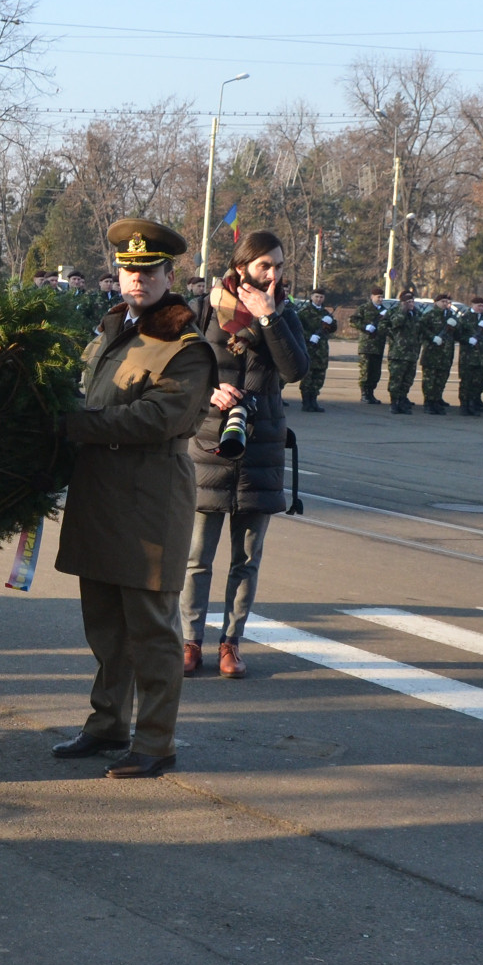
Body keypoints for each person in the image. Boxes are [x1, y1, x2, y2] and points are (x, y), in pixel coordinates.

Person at [53, 218, 218, 779]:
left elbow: (157, 418)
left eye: (149, 271)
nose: (137, 279)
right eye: (129, 269)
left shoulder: (185, 347)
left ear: (170, 276)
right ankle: (107, 724)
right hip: (100, 491)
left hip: (150, 496)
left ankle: (154, 741)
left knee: (150, 628)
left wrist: (74, 423)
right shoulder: (112, 330)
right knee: (105, 625)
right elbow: (90, 393)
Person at [184, 231, 303, 681]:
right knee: (198, 557)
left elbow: (295, 370)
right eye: (264, 266)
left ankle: (230, 643)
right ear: (241, 268)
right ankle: (190, 641)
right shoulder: (205, 309)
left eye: (278, 266)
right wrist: (209, 391)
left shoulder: (285, 313)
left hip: (262, 446)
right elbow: (180, 370)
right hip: (210, 443)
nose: (273, 274)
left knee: (246, 559)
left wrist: (269, 317)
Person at [383, 288, 422, 414]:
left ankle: (402, 400)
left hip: (412, 353)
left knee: (407, 380)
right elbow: (393, 324)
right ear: (403, 303)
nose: (411, 304)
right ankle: (394, 402)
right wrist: (403, 311)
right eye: (408, 302)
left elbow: (421, 329)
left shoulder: (416, 314)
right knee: (396, 380)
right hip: (398, 353)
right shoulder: (396, 313)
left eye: (412, 301)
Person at [294, 289, 334, 411]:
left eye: (321, 297)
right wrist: (309, 336)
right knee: (308, 376)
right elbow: (297, 329)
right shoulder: (304, 312)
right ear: (312, 297)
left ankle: (314, 401)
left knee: (319, 376)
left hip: (322, 350)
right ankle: (306, 402)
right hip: (309, 348)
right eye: (316, 296)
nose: (319, 299)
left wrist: (331, 323)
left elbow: (332, 329)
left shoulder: (325, 313)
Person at [417, 290, 456, 414]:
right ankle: (428, 402)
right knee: (430, 380)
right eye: (443, 301)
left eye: (447, 302)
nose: (445, 303)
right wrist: (432, 337)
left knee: (441, 379)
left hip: (445, 354)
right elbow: (421, 328)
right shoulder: (430, 315)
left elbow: (458, 332)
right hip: (432, 353)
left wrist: (456, 326)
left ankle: (436, 401)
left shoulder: (451, 315)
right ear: (436, 302)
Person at [456, 295, 483, 416]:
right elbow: (457, 334)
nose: (481, 308)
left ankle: (473, 404)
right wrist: (467, 339)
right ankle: (464, 405)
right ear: (473, 305)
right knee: (466, 382)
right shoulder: (465, 318)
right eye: (479, 306)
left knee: (477, 382)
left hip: (482, 356)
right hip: (468, 356)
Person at [355, 288, 389, 405]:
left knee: (375, 372)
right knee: (366, 371)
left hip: (379, 345)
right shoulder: (364, 308)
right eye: (378, 297)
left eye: (381, 297)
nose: (380, 299)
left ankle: (371, 393)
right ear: (372, 297)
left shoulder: (385, 311)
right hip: (367, 345)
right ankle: (364, 394)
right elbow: (353, 320)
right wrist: (365, 326)